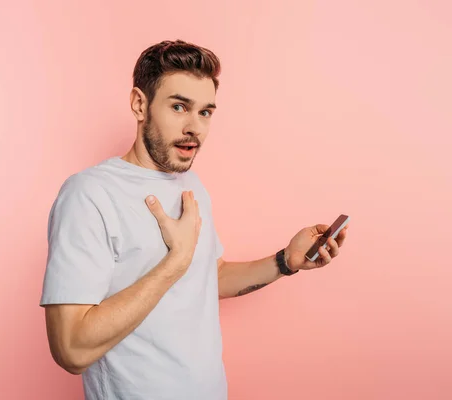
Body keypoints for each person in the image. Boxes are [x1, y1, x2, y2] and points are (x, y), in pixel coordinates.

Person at [39, 39, 349, 400]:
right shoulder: (88, 194)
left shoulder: (190, 184)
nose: (194, 128)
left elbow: (209, 277)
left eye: (205, 112)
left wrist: (285, 261)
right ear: (140, 104)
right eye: (179, 107)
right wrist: (175, 262)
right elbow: (71, 350)